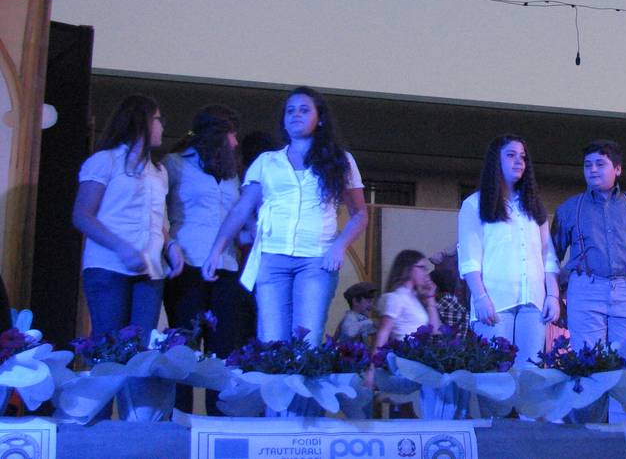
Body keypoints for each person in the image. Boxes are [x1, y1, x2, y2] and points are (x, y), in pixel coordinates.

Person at [202, 86, 367, 346]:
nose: (295, 115)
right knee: (271, 340)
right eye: (290, 111)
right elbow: (241, 209)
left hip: (316, 258)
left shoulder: (340, 161)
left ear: (320, 118)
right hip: (272, 257)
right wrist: (216, 250)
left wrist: (339, 246)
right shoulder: (267, 162)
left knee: (307, 340)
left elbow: (359, 214)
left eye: (304, 110)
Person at [73, 94, 183, 340]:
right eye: (158, 120)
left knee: (141, 348)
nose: (162, 126)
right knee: (108, 346)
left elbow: (156, 219)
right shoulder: (105, 161)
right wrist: (121, 247)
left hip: (150, 269)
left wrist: (170, 245)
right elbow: (82, 215)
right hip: (109, 266)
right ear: (141, 121)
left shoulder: (159, 170)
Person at [163, 104, 245, 414]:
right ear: (217, 134)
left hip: (226, 267)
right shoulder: (175, 164)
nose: (235, 142)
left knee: (222, 350)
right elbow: (157, 213)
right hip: (187, 266)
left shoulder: (232, 174)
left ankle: (218, 422)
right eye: (232, 133)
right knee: (183, 348)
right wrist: (169, 246)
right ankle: (180, 419)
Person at [551, 140, 626, 363]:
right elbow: (550, 258)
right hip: (585, 290)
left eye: (600, 164)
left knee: (625, 364)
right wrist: (555, 299)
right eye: (587, 165)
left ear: (617, 169)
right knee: (588, 365)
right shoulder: (569, 208)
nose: (592, 170)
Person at [458, 135, 560, 367]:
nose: (519, 162)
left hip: (533, 303)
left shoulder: (533, 206)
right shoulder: (474, 204)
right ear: (496, 161)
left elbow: (548, 256)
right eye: (511, 155)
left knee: (530, 374)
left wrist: (553, 295)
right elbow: (469, 259)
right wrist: (480, 298)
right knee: (495, 374)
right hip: (494, 302)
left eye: (522, 157)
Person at [375, 250, 440, 345]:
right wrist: (376, 354)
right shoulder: (395, 298)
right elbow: (383, 332)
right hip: (404, 351)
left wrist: (430, 298)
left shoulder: (415, 297)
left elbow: (435, 331)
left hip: (419, 350)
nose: (425, 273)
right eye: (422, 268)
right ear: (408, 268)